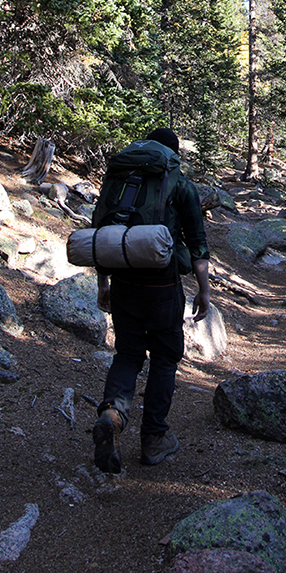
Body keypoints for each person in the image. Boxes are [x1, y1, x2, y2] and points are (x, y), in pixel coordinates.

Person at [92, 127, 210, 472]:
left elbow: (101, 231)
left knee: (128, 354)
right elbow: (199, 246)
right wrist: (203, 290)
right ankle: (154, 438)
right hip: (162, 286)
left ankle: (113, 416)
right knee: (163, 358)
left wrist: (104, 284)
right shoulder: (181, 185)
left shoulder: (120, 180)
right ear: (173, 155)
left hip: (122, 278)